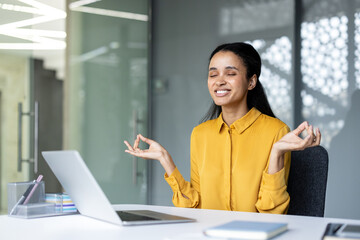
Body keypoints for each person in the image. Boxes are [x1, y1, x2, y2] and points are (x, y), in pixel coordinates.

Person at [124, 42, 321, 214]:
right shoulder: (200, 134)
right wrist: (165, 160)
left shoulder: (276, 132)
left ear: (251, 81)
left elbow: (272, 212)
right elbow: (195, 208)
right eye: (213, 74)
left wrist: (276, 152)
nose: (219, 80)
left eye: (230, 73)